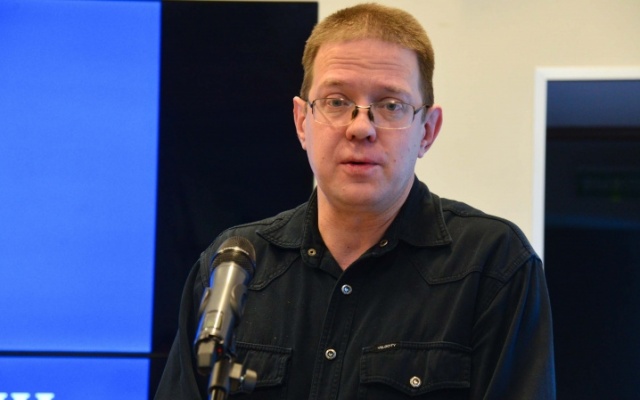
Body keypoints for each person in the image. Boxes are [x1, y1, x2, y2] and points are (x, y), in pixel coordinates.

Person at [155, 3, 556, 399]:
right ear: (302, 122)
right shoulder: (233, 266)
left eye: (391, 105)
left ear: (427, 131)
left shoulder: (493, 265)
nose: (361, 127)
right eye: (336, 101)